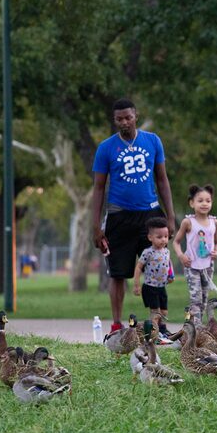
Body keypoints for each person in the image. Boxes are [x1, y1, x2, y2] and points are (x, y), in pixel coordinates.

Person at [92, 98, 175, 333]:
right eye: (119, 119)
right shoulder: (106, 148)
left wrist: (170, 217)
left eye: (128, 117)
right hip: (119, 216)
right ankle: (117, 324)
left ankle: (159, 325)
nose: (124, 122)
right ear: (114, 120)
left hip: (150, 213)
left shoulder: (152, 141)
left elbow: (162, 179)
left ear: (135, 116)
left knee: (156, 269)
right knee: (118, 273)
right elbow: (98, 188)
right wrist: (96, 226)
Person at [173, 184, 217, 325]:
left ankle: (199, 326)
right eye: (200, 200)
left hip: (208, 267)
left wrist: (216, 252)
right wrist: (181, 256)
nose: (204, 204)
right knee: (195, 298)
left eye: (208, 200)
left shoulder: (214, 222)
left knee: (205, 298)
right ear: (192, 203)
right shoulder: (188, 222)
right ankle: (196, 328)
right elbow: (176, 242)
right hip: (191, 265)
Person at [133, 217, 174, 338]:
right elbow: (138, 267)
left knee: (164, 311)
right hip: (150, 287)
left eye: (166, 236)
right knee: (155, 312)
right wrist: (136, 285)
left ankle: (163, 330)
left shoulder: (166, 251)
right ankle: (153, 333)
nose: (163, 240)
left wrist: (171, 274)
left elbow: (168, 263)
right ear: (150, 237)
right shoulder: (148, 252)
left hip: (162, 286)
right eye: (159, 237)